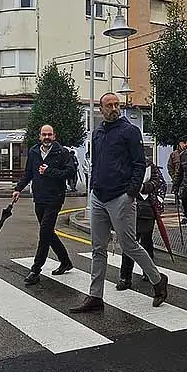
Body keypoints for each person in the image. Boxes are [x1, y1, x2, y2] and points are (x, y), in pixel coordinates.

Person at [70, 93, 168, 313]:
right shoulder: (97, 134)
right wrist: (93, 186)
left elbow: (138, 164)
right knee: (98, 248)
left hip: (121, 197)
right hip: (99, 197)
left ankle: (158, 279)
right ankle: (95, 296)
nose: (113, 108)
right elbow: (96, 163)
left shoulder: (130, 131)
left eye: (116, 105)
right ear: (101, 110)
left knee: (129, 245)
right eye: (109, 105)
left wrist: (131, 194)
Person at [12, 125, 75, 285]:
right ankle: (65, 261)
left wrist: (49, 171)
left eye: (50, 134)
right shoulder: (34, 152)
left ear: (54, 136)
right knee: (48, 233)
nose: (47, 137)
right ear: (40, 136)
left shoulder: (62, 152)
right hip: (39, 197)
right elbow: (28, 173)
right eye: (44, 134)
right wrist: (18, 188)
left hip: (55, 197)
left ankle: (35, 270)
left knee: (44, 233)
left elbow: (70, 172)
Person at [116, 149, 166, 290]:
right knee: (129, 243)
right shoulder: (123, 164)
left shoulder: (150, 165)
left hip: (146, 208)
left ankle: (148, 272)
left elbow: (158, 183)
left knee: (146, 240)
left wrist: (144, 187)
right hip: (128, 206)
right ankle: (125, 277)